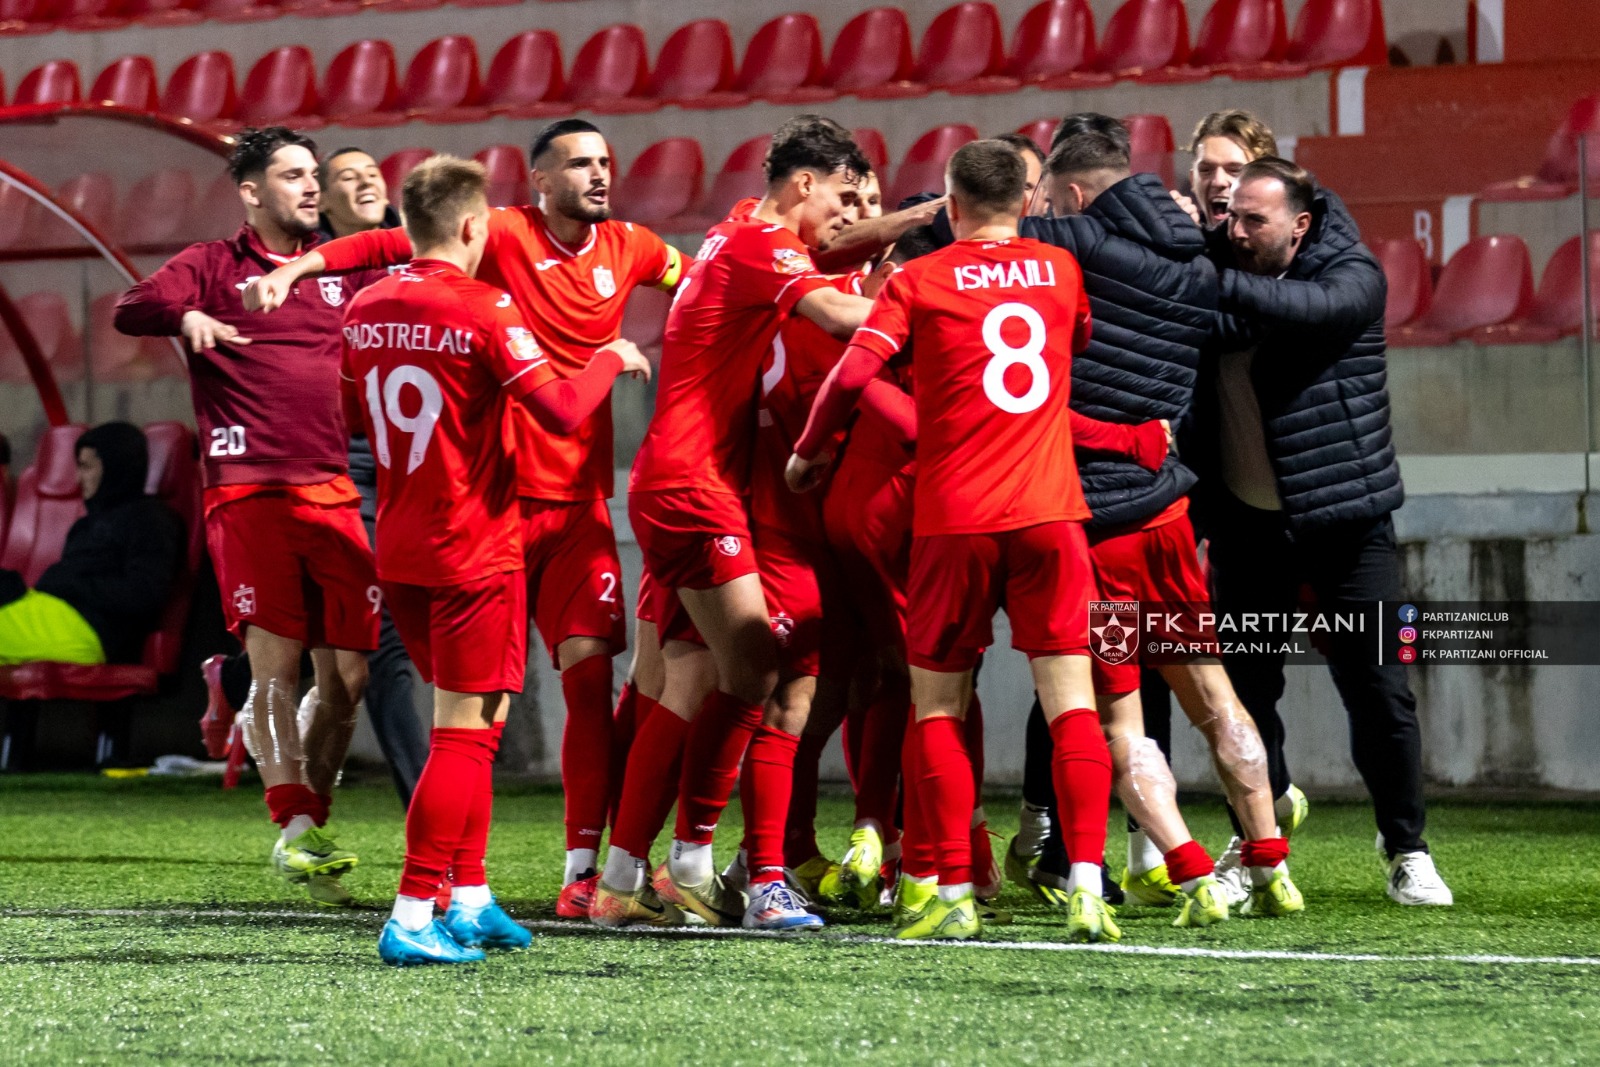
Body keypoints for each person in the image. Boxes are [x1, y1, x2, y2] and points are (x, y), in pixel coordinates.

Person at [246, 119, 687, 918]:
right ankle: (430, 897)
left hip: (572, 508)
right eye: (579, 163)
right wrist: (304, 264)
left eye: (605, 161)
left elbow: (701, 281)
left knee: (585, 682)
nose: (598, 174)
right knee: (471, 721)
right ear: (538, 180)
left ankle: (569, 871)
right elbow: (391, 244)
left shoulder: (634, 246)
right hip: (496, 512)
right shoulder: (501, 240)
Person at [790, 139, 1117, 943]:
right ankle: (1085, 882)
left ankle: (952, 889)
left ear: (952, 201)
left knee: (937, 703)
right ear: (1026, 201)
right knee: (1073, 701)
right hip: (1050, 514)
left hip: (954, 517)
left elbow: (853, 373)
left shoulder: (919, 279)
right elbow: (1074, 343)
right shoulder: (1061, 270)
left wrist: (808, 451)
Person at [347, 155, 651, 966]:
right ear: (474, 225)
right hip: (473, 546)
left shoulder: (366, 306)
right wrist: (609, 358)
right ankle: (415, 910)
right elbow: (561, 410)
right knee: (464, 737)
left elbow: (353, 413)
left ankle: (474, 897)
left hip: (400, 543)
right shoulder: (483, 308)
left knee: (477, 724)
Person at [1002, 120, 1304, 924]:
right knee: (1216, 695)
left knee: (1120, 715)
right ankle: (1271, 863)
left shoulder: (1072, 244)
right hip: (1168, 514)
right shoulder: (1199, 253)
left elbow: (977, 227)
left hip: (1098, 525)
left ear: (1071, 193)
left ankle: (1191, 867)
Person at [596, 115, 873, 933]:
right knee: (755, 671)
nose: (846, 214)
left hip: (681, 479)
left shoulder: (733, 234)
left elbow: (832, 262)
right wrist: (945, 299)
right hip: (697, 486)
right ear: (804, 184)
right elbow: (839, 314)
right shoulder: (763, 243)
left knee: (686, 680)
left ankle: (619, 877)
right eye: (843, 195)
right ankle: (689, 863)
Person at [114, 127, 380, 908]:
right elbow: (133, 306)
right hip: (247, 491)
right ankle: (294, 823)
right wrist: (184, 319)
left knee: (350, 678)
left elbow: (413, 253)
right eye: (292, 175)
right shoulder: (212, 264)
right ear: (252, 191)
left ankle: (309, 814)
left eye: (314, 174)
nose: (310, 186)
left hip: (332, 490)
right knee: (277, 666)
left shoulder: (337, 266)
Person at [1197, 157, 1452, 906]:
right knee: (1245, 695)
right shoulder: (1218, 266)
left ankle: (1406, 846)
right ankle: (1256, 843)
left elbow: (1310, 309)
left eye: (1255, 220)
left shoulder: (1352, 274)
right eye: (1230, 216)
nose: (1237, 231)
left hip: (1347, 521)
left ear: (1300, 224)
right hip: (1245, 525)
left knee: (1380, 691)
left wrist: (1198, 277)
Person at [201, 143, 427, 808]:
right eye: (346, 176)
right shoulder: (308, 270)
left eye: (373, 172)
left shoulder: (419, 256)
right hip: (342, 464)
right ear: (321, 201)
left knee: (349, 657)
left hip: (417, 466)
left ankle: (243, 696)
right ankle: (427, 810)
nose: (366, 181)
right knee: (383, 651)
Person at [0, 423, 180, 667]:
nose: (77, 479)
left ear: (114, 468)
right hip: (50, 613)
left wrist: (72, 584)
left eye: (86, 467)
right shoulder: (85, 524)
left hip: (88, 630)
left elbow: (145, 593)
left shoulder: (149, 519)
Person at [1188, 110, 1279, 230]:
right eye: (1205, 170)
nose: (1218, 182)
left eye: (1235, 171)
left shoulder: (1292, 239)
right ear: (1192, 180)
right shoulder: (1181, 235)